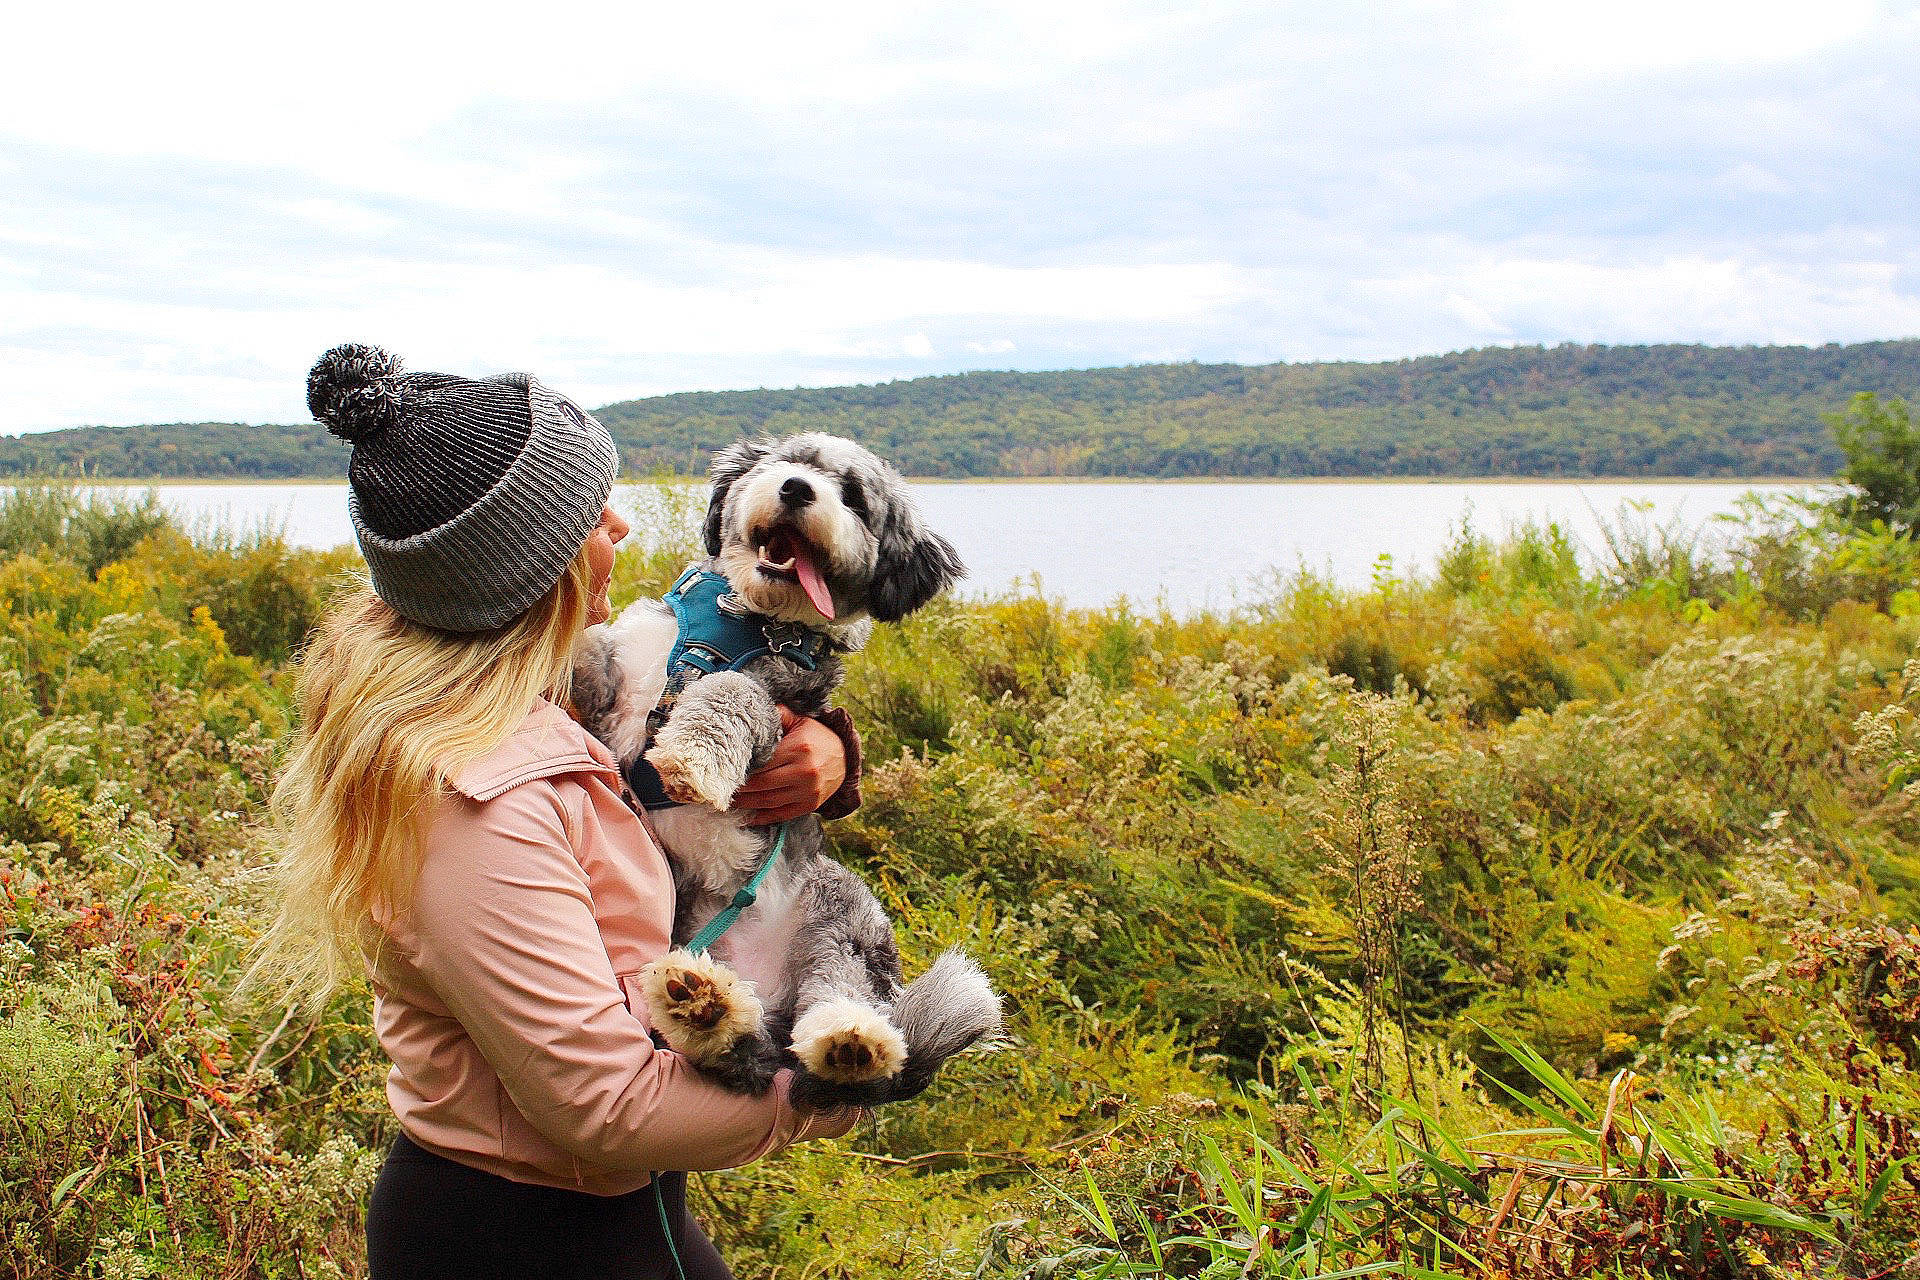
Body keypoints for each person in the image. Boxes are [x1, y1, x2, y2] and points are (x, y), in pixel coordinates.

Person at [257, 345, 864, 1280]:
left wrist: (827, 751)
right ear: (524, 565)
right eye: (590, 512)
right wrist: (837, 1091)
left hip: (615, 1212)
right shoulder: (469, 800)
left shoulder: (536, 698)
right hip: (517, 1236)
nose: (621, 522)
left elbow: (664, 751)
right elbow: (604, 1103)